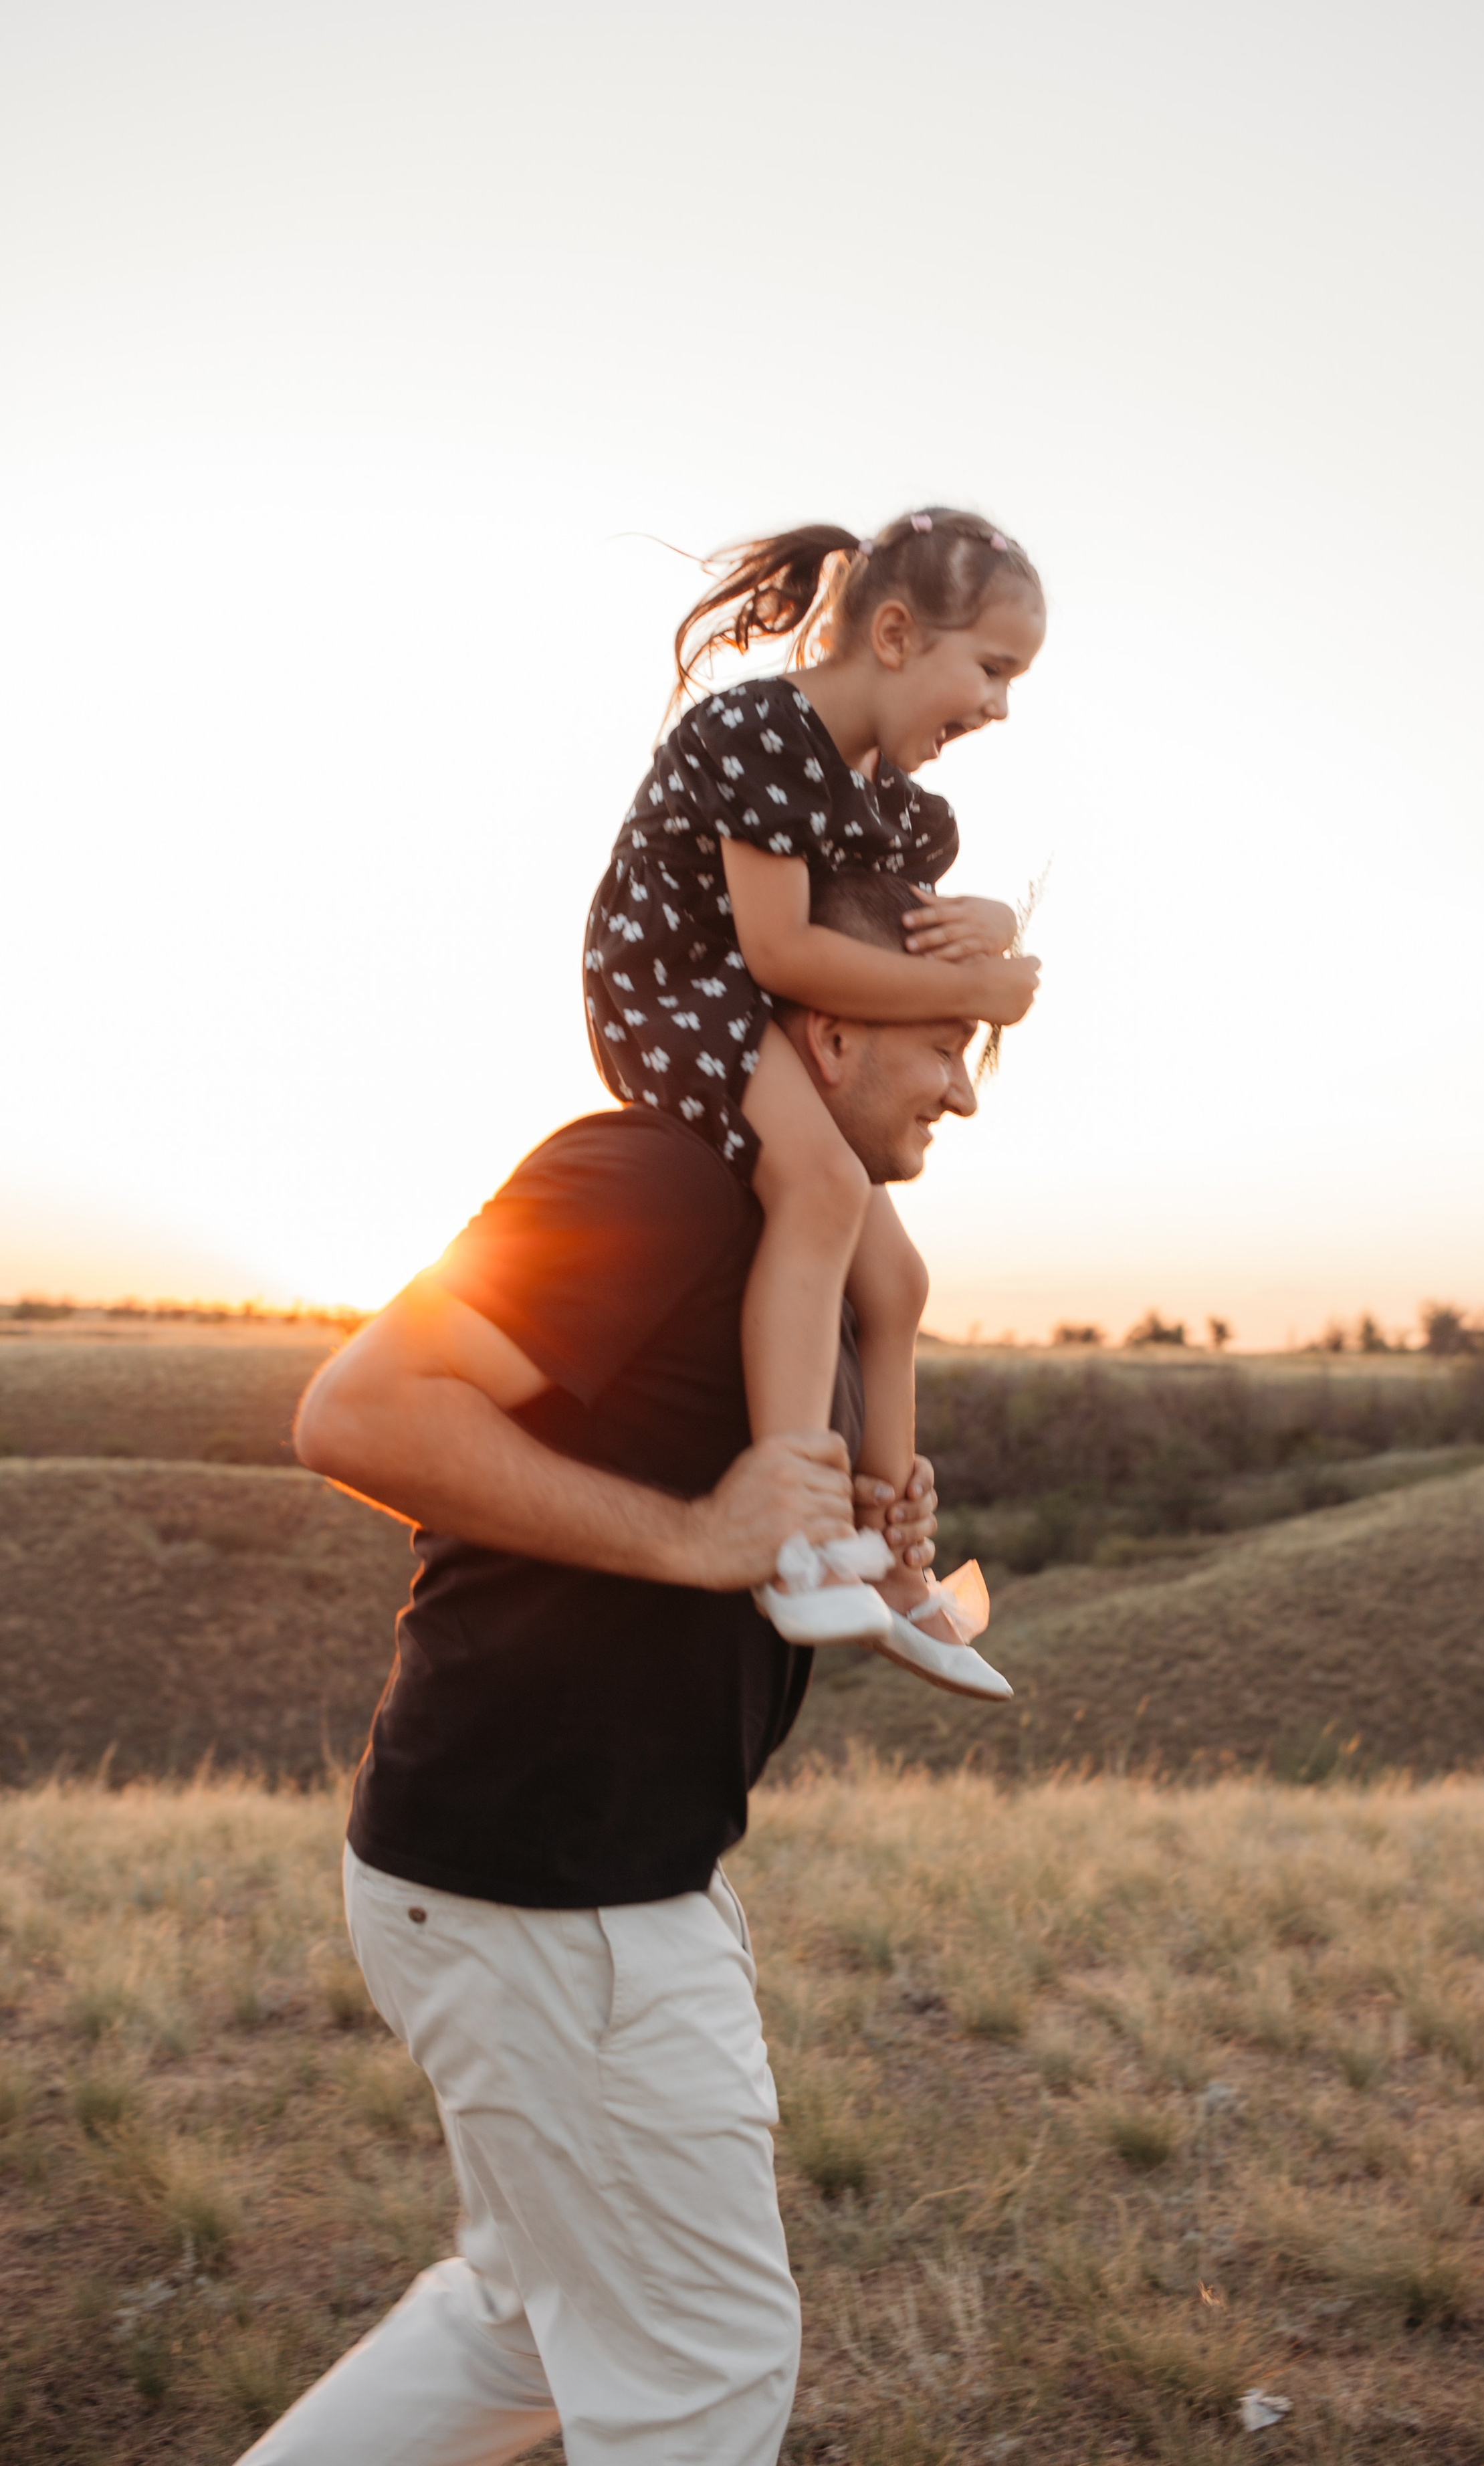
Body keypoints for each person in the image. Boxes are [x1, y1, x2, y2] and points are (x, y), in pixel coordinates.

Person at [236, 871, 990, 2466]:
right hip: (548, 1888)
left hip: (574, 1875)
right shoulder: (652, 1177)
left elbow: (745, 1518)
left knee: (527, 2329)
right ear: (829, 1032)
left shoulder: (803, 1258)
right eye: (943, 1045)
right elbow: (358, 1412)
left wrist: (866, 1535)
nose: (964, 1092)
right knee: (702, 2369)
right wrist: (700, 1536)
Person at [585, 507, 1044, 1643]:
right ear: (894, 636)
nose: (999, 707)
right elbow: (783, 952)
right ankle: (798, 1542)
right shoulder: (763, 732)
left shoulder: (883, 799)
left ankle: (892, 1567)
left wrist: (988, 921)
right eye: (991, 669)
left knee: (897, 1283)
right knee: (825, 1187)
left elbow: (892, 922)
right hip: (670, 987)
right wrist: (970, 995)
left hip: (758, 1007)